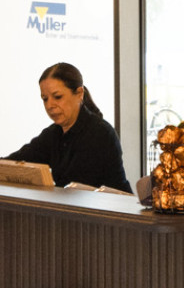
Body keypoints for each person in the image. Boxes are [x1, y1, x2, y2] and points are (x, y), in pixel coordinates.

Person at [5, 62, 131, 193]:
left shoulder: (100, 133)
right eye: (45, 99)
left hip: (110, 211)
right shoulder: (53, 133)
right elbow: (14, 162)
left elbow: (72, 187)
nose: (50, 105)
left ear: (79, 93)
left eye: (57, 97)